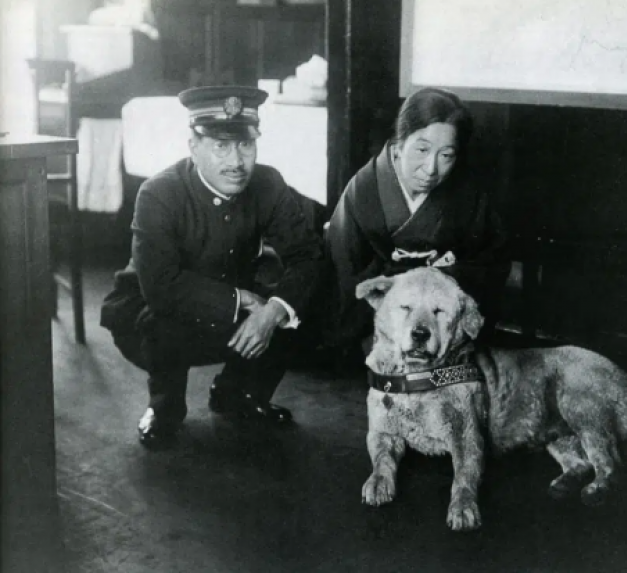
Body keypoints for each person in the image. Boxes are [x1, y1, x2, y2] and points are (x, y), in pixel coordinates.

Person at [100, 86, 325, 448]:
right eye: (221, 146)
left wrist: (271, 313)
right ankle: (164, 407)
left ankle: (238, 393)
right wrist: (238, 300)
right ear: (194, 146)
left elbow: (308, 257)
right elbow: (160, 288)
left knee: (299, 302)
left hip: (232, 310)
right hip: (149, 314)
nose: (236, 161)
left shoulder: (268, 183)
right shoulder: (160, 193)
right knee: (163, 322)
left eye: (245, 145)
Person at [326, 87, 511, 351]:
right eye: (422, 149)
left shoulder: (468, 196)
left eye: (446, 155)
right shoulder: (363, 191)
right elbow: (345, 272)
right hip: (379, 332)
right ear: (400, 143)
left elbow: (490, 262)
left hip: (443, 332)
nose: (431, 168)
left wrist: (443, 278)